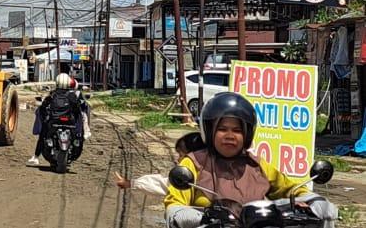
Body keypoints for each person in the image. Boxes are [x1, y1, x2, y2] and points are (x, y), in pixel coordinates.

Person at [164, 92, 338, 228]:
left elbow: (290, 189)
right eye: (223, 129)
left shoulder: (257, 165)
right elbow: (174, 202)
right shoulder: (194, 164)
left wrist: (314, 200)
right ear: (209, 131)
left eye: (237, 130)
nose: (230, 136)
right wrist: (182, 213)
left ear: (247, 134)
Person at [114, 132, 206, 196]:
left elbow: (162, 184)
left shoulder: (187, 175)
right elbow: (163, 183)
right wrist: (132, 183)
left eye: (181, 155)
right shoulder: (188, 174)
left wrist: (131, 183)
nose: (178, 159)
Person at [28, 73, 87, 166]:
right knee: (79, 135)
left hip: (54, 121)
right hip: (70, 122)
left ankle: (36, 156)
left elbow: (43, 106)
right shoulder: (72, 95)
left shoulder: (53, 94)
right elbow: (78, 109)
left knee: (43, 134)